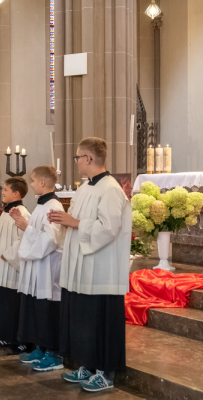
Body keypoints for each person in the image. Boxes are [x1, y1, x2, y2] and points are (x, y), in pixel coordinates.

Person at [48, 137, 131, 392]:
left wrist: (74, 222)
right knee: (84, 320)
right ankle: (88, 365)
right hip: (82, 268)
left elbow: (109, 228)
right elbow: (76, 221)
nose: (76, 162)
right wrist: (63, 220)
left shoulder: (110, 189)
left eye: (77, 157)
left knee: (101, 321)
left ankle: (105, 374)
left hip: (102, 270)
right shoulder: (85, 188)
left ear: (89, 158)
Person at [10, 166, 65, 371]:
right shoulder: (42, 205)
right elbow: (35, 233)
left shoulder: (53, 206)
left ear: (42, 182)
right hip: (38, 267)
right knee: (37, 309)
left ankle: (54, 354)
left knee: (48, 311)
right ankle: (42, 347)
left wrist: (27, 227)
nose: (31, 184)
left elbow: (50, 240)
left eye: (33, 181)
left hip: (48, 269)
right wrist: (24, 224)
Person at [0, 177, 30, 354]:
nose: (2, 192)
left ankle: (16, 340)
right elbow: (2, 235)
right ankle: (3, 336)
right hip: (2, 266)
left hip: (12, 267)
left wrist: (9, 254)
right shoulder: (5, 212)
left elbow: (24, 238)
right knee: (2, 302)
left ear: (16, 194)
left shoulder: (22, 214)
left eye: (5, 189)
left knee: (12, 304)